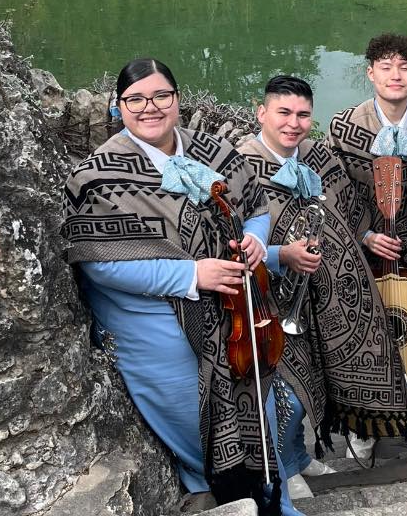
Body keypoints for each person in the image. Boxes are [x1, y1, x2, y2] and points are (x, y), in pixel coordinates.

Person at [63, 58, 278, 513]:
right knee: (191, 400)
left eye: (161, 96)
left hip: (232, 301)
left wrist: (257, 238)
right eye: (135, 100)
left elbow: (257, 205)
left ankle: (274, 491)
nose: (150, 107)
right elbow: (100, 265)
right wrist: (191, 275)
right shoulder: (96, 175)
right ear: (118, 108)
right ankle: (223, 490)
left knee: (269, 386)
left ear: (177, 100)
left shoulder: (214, 152)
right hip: (149, 313)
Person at [236, 76, 407, 501]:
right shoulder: (239, 163)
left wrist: (368, 238)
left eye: (302, 115)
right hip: (272, 297)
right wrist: (282, 255)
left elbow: (350, 209)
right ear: (262, 113)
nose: (293, 124)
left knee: (316, 380)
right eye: (283, 113)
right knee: (285, 390)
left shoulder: (319, 155)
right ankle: (285, 465)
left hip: (328, 294)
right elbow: (230, 237)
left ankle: (299, 453)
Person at [327, 33, 407, 457]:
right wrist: (365, 235)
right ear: (370, 73)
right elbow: (336, 191)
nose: (395, 75)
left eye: (403, 67)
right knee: (368, 337)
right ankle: (365, 425)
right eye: (386, 67)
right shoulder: (344, 125)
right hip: (367, 249)